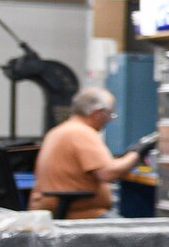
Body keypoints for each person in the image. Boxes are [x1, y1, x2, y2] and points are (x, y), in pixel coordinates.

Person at [31, 87, 154, 220]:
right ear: (98, 113)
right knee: (135, 237)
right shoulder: (81, 133)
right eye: (110, 115)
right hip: (80, 214)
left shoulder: (59, 131)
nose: (109, 120)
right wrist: (138, 151)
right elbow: (108, 173)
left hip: (56, 211)